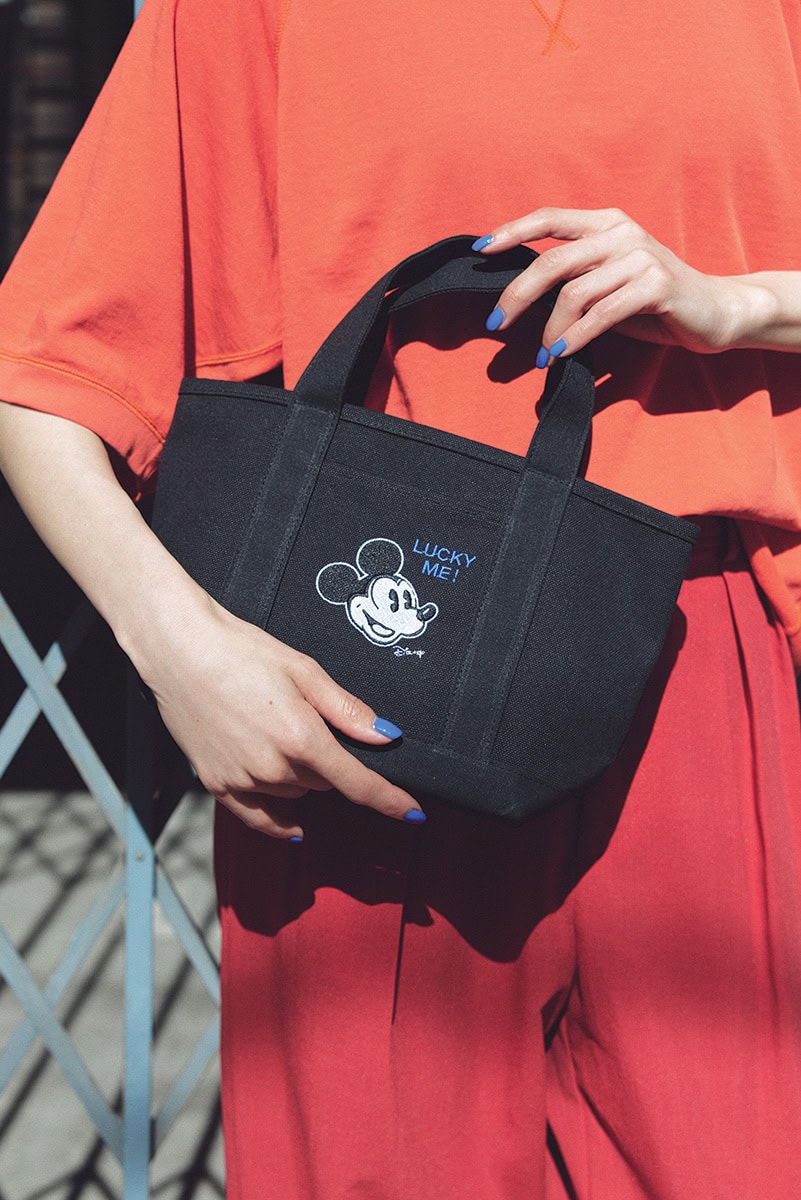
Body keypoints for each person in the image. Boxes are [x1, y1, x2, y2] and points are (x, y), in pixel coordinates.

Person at [1, 1, 801, 1196]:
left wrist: (740, 304)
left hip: (704, 682)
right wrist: (182, 652)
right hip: (368, 702)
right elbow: (43, 377)